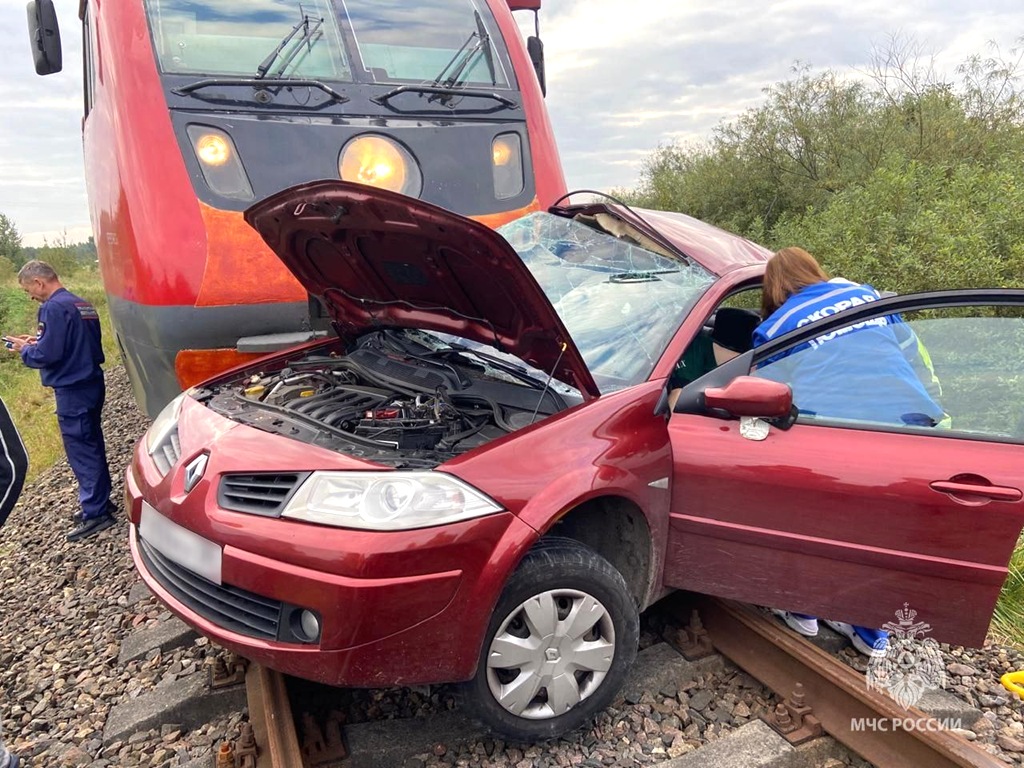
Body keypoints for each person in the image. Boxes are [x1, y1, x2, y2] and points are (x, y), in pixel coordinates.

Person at [753, 247, 945, 657]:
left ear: (774, 288)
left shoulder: (775, 326)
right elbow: (913, 357)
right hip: (906, 424)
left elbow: (766, 398)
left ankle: (802, 610)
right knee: (879, 534)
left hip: (837, 434)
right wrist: (934, 412)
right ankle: (870, 630)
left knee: (809, 520)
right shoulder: (869, 295)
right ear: (814, 271)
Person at [5, 261, 115, 542]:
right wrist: (37, 341)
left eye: (28, 288)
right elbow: (71, 343)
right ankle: (100, 501)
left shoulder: (52, 307)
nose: (30, 295)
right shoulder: (82, 304)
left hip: (72, 389)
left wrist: (25, 349)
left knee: (81, 449)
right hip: (91, 382)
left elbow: (48, 355)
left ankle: (96, 512)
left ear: (39, 283)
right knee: (92, 443)